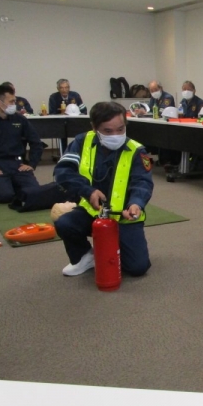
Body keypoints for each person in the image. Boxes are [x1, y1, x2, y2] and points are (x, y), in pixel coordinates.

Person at [53, 101, 153, 278]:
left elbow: (142, 182)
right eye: (108, 131)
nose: (116, 135)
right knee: (65, 223)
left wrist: (136, 203)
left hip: (124, 216)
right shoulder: (81, 142)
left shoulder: (136, 150)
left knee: (137, 268)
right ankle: (85, 256)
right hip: (92, 211)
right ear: (94, 127)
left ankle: (113, 245)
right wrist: (88, 191)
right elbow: (63, 172)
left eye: (120, 129)